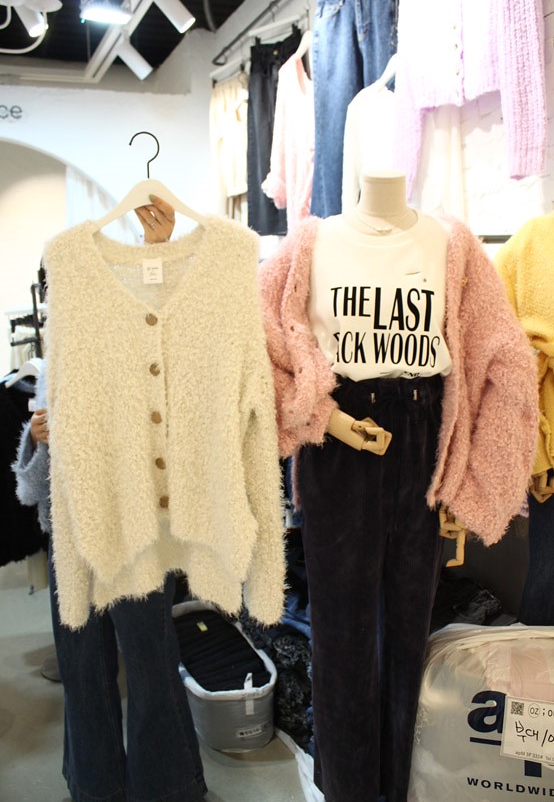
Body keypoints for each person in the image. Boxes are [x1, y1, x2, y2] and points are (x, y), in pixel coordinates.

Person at [259, 172, 538, 802]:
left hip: (422, 437)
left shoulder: (450, 244)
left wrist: (473, 476)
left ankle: (396, 786)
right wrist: (328, 419)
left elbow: (501, 354)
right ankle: (348, 789)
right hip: (337, 441)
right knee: (341, 637)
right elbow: (260, 349)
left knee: (408, 632)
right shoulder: (311, 243)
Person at [13, 196, 208, 802]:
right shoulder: (59, 358)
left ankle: (167, 785)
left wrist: (159, 252)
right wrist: (38, 438)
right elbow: (31, 486)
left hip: (139, 520)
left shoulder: (143, 334)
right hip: (73, 526)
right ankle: (95, 785)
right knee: (83, 664)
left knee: (149, 658)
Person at [494, 212, 554, 626]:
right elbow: (509, 363)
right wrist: (536, 456)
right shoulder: (533, 241)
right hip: (551, 448)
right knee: (547, 580)